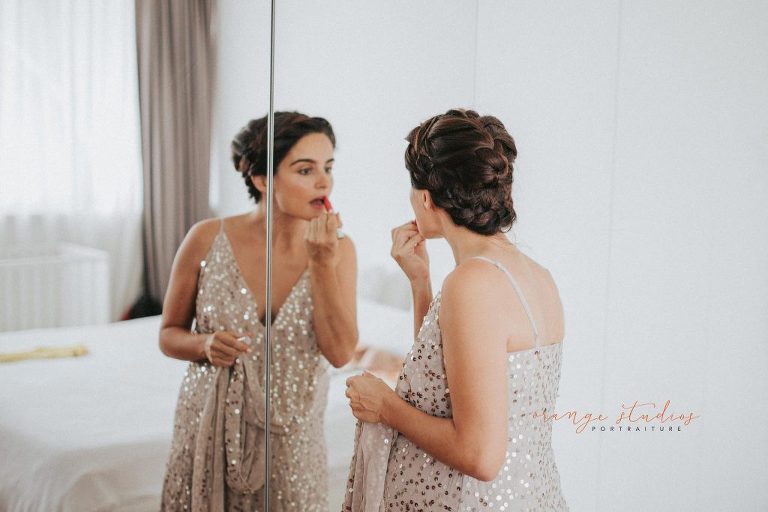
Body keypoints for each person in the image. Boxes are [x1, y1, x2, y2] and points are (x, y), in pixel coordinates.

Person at [343, 108, 569, 510]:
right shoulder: (534, 274)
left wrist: (386, 406)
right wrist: (419, 282)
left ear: (426, 197)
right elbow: (445, 385)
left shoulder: (472, 284)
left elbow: (479, 455)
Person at [158, 112, 358, 511]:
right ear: (263, 179)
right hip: (209, 429)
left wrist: (321, 262)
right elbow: (169, 334)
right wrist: (205, 344)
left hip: (294, 440)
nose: (324, 182)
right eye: (306, 170)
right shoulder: (206, 237)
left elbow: (340, 353)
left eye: (328, 168)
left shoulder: (339, 250)